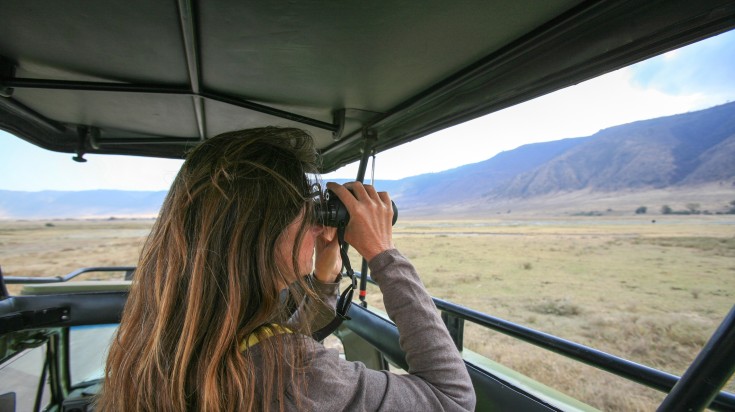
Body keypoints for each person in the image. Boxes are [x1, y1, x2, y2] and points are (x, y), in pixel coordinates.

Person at [98, 127, 475, 411]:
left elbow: (268, 346)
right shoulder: (298, 376)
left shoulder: (173, 329)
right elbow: (452, 398)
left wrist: (325, 276)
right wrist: (382, 252)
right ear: (263, 231)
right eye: (307, 209)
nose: (316, 224)